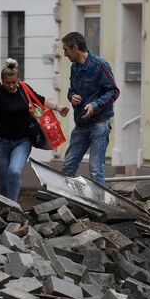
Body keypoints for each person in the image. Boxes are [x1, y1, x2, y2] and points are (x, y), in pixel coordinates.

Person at [0, 58, 69, 201]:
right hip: (1, 143)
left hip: (22, 141)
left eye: (14, 83)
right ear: (2, 81)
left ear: (18, 79)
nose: (11, 86)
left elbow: (39, 99)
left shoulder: (24, 88)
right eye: (7, 83)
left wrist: (58, 108)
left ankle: (12, 207)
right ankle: (3, 210)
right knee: (3, 182)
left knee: (14, 171)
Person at [61, 32, 120, 185]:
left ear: (75, 48)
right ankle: (67, 204)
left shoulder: (100, 65)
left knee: (95, 169)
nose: (64, 54)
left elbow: (114, 91)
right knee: (68, 167)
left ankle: (99, 207)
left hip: (99, 124)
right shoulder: (74, 68)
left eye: (66, 49)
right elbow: (71, 90)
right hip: (81, 126)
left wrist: (95, 105)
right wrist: (71, 97)